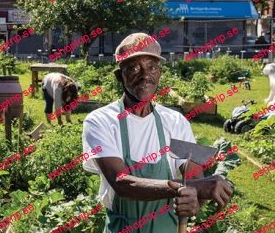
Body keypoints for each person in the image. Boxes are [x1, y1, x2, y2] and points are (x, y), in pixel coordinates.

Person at [82, 33, 234, 232]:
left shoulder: (175, 121)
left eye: (152, 67)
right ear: (120, 76)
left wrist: (194, 200)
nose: (145, 75)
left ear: (160, 73)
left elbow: (195, 178)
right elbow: (121, 183)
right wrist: (186, 188)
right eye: (134, 68)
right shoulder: (101, 121)